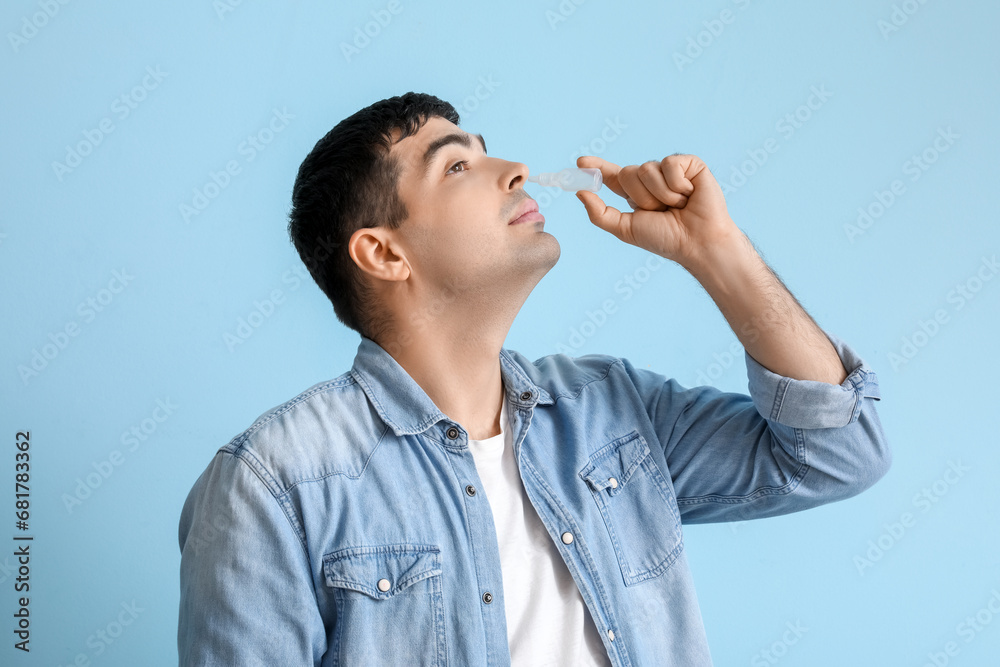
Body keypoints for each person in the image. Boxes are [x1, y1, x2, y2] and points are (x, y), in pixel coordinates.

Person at [177, 92, 891, 666]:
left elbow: (840, 452)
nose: (513, 169)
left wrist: (716, 251)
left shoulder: (611, 409)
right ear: (384, 252)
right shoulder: (276, 482)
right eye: (456, 166)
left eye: (486, 151)